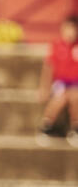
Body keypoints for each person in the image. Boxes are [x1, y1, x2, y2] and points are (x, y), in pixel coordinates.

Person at [37, 15, 78, 144]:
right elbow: (48, 68)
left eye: (74, 29)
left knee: (75, 97)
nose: (71, 33)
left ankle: (75, 129)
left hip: (75, 84)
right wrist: (44, 88)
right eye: (68, 29)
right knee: (60, 98)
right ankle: (46, 126)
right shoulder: (56, 46)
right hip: (60, 83)